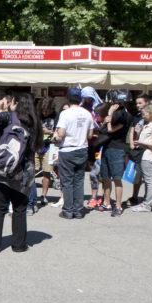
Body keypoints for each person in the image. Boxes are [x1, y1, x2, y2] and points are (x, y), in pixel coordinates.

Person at [0, 92, 43, 252]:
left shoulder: (9, 116)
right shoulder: (35, 122)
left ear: (15, 102)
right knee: (19, 209)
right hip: (24, 171)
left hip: (2, 169)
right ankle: (19, 245)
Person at [53, 87, 95, 219]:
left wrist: (56, 137)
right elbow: (90, 134)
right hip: (82, 148)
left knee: (67, 181)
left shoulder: (65, 114)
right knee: (78, 180)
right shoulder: (87, 114)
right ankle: (78, 210)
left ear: (68, 99)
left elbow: (61, 134)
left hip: (68, 149)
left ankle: (68, 210)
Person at [97, 94, 132, 216]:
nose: (111, 104)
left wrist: (110, 116)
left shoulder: (125, 116)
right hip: (106, 148)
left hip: (117, 149)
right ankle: (107, 203)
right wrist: (107, 119)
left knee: (117, 179)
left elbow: (110, 129)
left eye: (113, 102)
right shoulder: (115, 114)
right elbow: (103, 130)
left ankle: (118, 205)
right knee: (105, 177)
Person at [130, 105, 152, 212]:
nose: (143, 116)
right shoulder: (147, 124)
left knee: (149, 180)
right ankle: (146, 202)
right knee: (147, 179)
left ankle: (147, 204)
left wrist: (142, 142)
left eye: (145, 114)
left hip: (148, 155)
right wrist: (139, 132)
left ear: (151, 114)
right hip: (143, 155)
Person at [36, 98, 57, 205]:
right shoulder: (37, 115)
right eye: (43, 110)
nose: (45, 113)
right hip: (36, 145)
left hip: (49, 145)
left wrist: (49, 132)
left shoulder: (56, 116)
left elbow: (58, 132)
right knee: (33, 170)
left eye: (47, 111)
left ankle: (44, 195)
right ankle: (31, 194)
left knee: (47, 171)